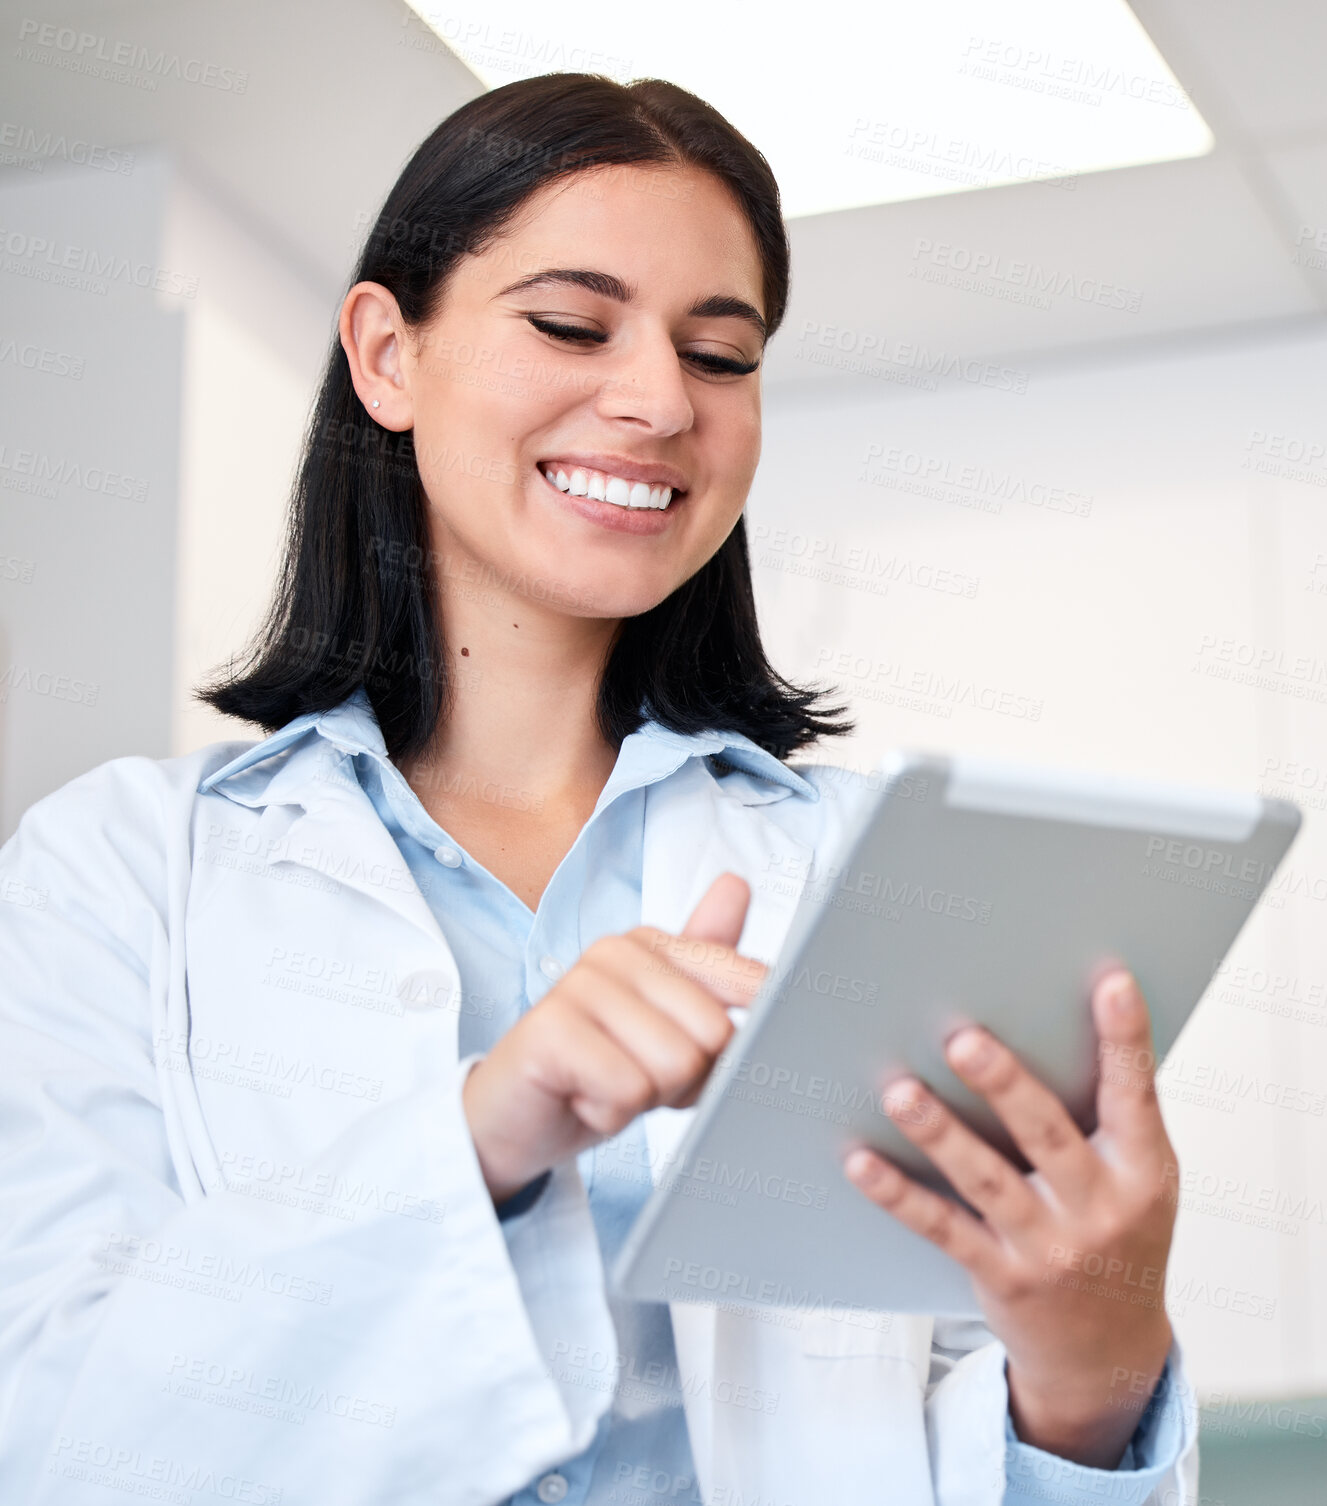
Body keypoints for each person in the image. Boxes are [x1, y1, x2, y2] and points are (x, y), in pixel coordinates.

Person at [0, 73, 1196, 1506]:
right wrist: (485, 1134)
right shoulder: (120, 872)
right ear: (388, 353)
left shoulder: (880, 869)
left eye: (723, 355)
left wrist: (1090, 1373)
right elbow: (53, 1431)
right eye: (572, 324)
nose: (656, 402)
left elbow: (948, 1424)